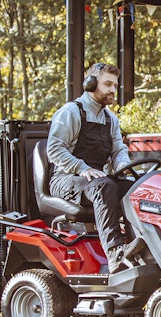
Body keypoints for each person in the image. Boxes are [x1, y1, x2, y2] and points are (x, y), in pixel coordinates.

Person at [46, 62, 144, 274]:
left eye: (114, 85)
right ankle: (115, 251)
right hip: (65, 178)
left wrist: (123, 167)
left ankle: (141, 245)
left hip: (96, 179)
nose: (112, 90)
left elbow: (118, 151)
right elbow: (54, 150)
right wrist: (81, 168)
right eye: (107, 84)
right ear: (90, 84)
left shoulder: (111, 119)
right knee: (104, 187)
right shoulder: (71, 112)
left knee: (137, 187)